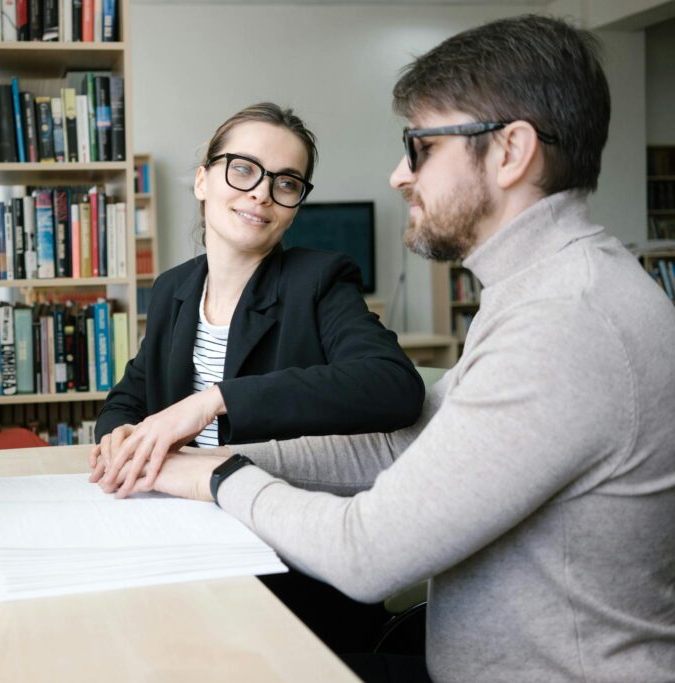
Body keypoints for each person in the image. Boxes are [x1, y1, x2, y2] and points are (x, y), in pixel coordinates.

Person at [128, 15, 675, 683]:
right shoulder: (539, 292)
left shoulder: (567, 319)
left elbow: (367, 553)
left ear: (510, 151)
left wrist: (218, 478)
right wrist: (219, 455)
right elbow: (399, 445)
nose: (397, 175)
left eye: (419, 147)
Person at [91, 103, 425, 498]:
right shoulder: (171, 289)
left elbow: (394, 385)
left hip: (276, 508)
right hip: (178, 504)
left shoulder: (319, 281)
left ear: (295, 206)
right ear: (202, 181)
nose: (261, 193)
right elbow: (129, 396)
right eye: (243, 169)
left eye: (285, 183)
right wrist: (119, 437)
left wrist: (213, 401)